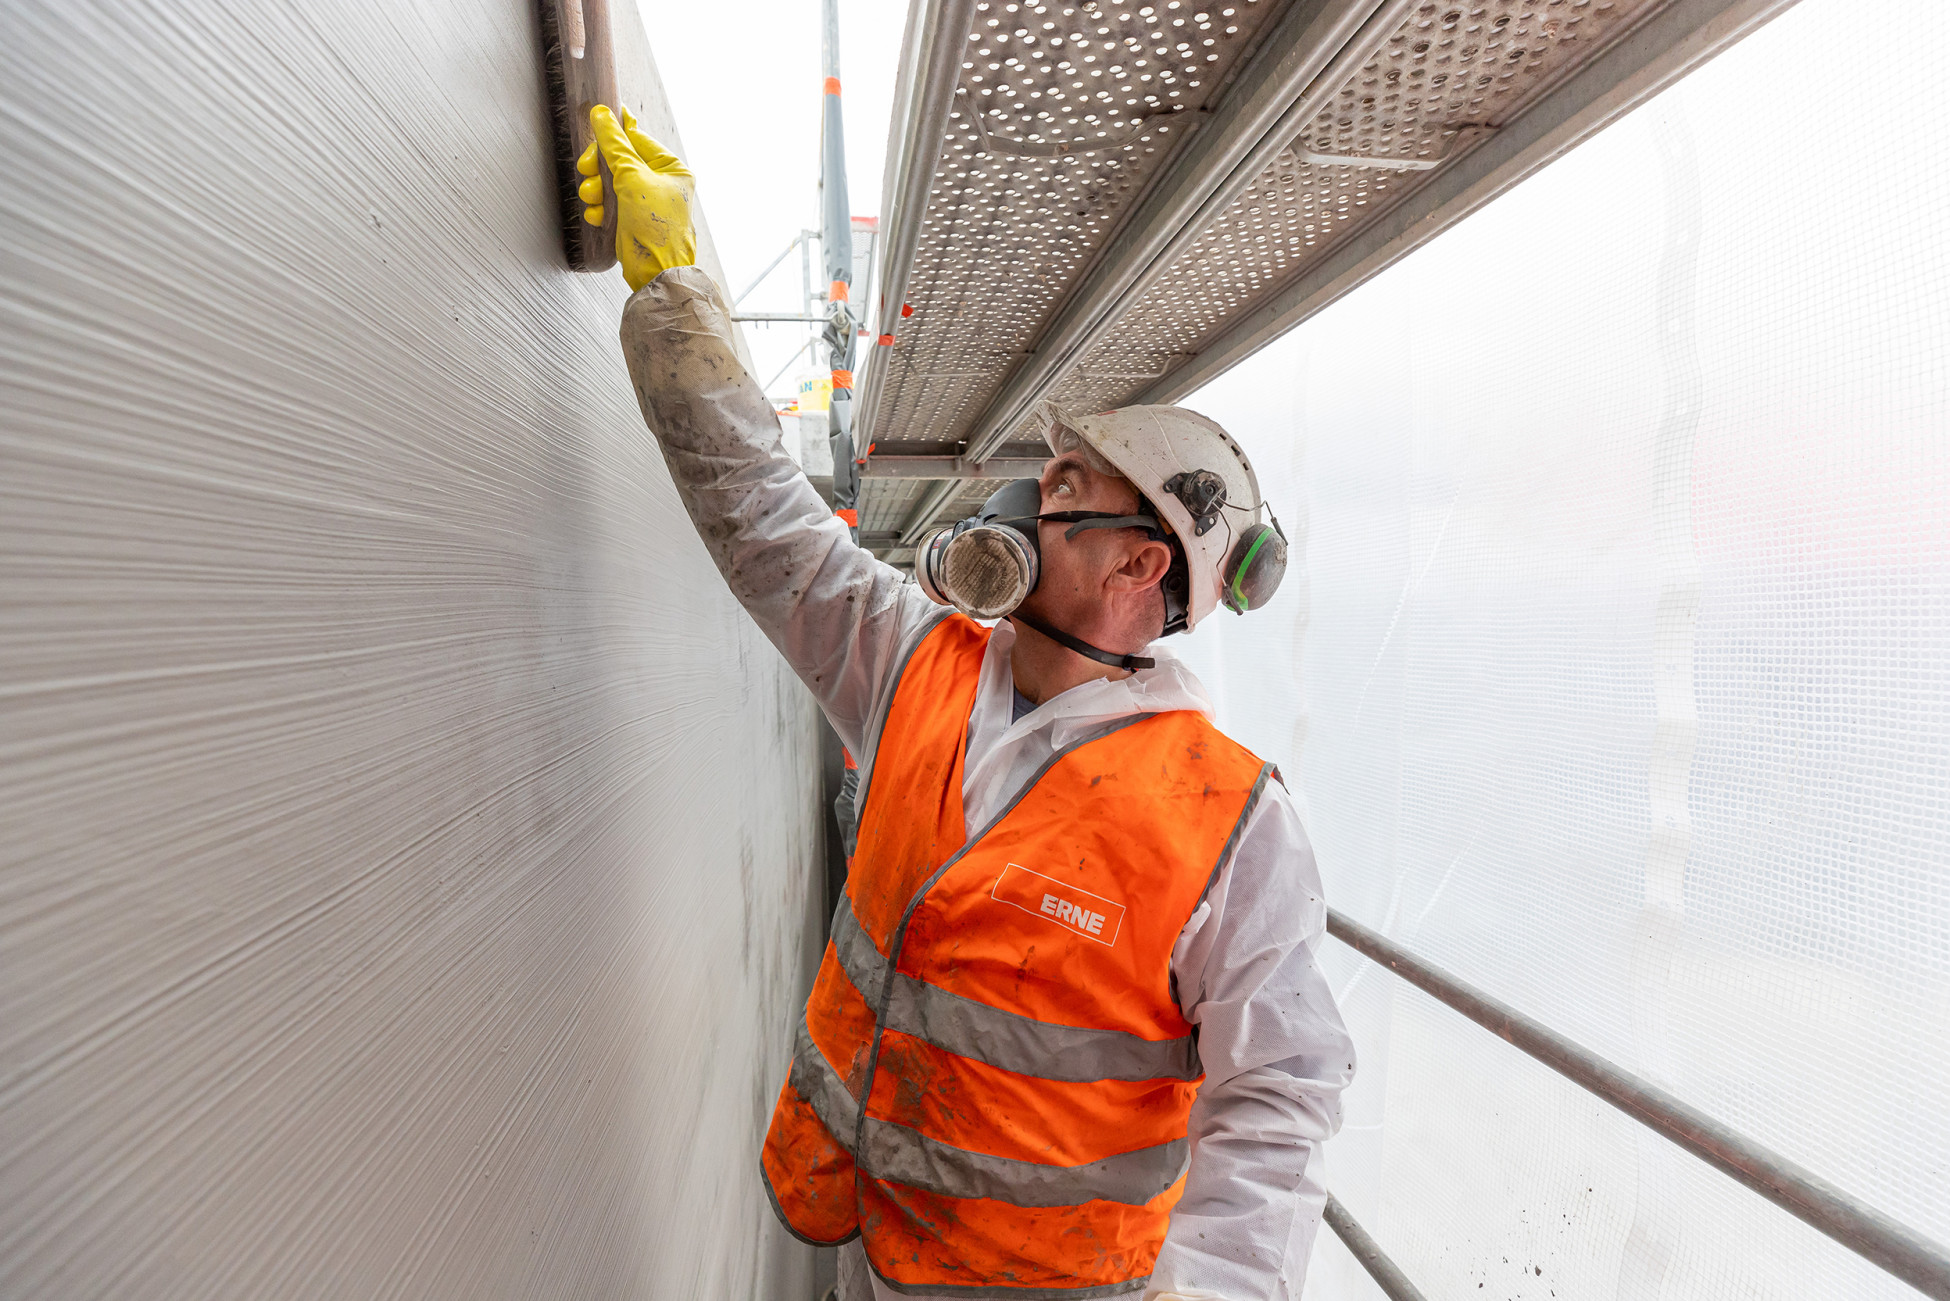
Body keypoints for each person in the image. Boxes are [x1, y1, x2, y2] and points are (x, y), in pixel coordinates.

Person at [582, 106, 1353, 1301]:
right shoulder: (918, 662)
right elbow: (766, 525)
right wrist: (678, 292)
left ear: (1140, 564)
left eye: (1067, 491)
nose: (1025, 509)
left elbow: (1282, 1089)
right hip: (876, 1258)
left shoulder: (1232, 823)